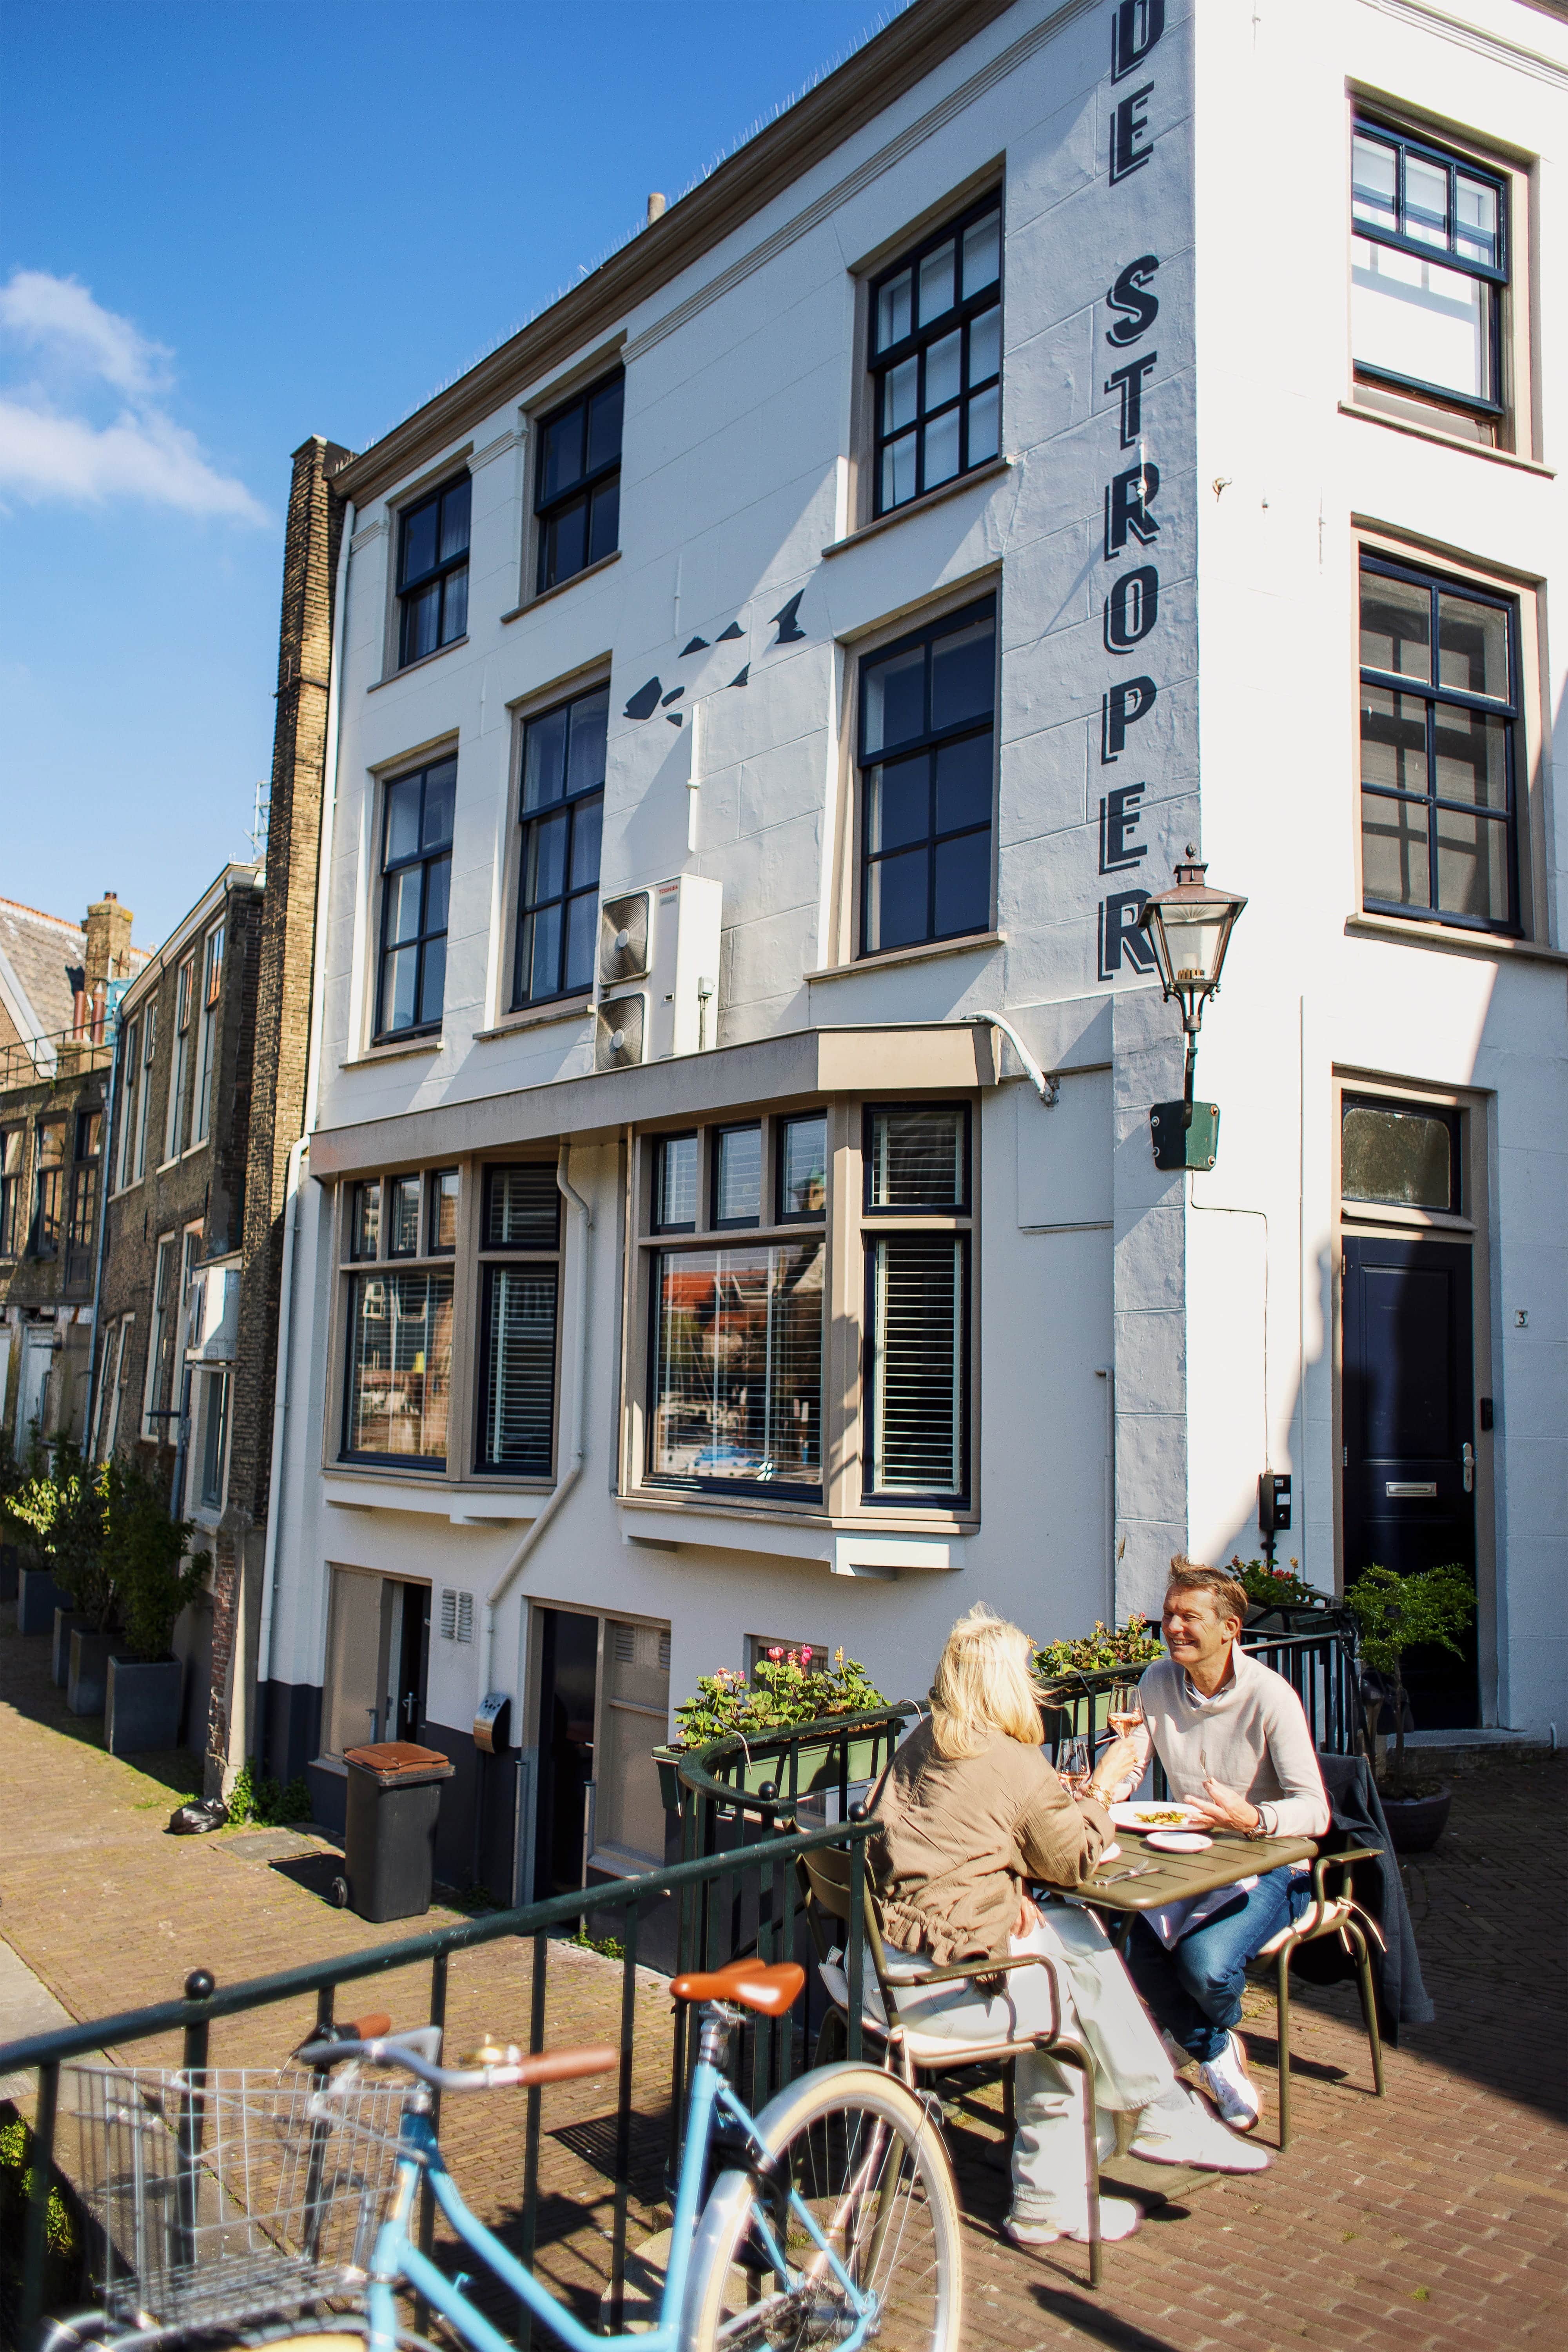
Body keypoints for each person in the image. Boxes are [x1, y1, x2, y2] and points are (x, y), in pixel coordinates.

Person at [866, 1603, 1268, 2251]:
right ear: (1006, 1684)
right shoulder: (1010, 1762)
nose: (1034, 1686)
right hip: (936, 1985)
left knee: (1073, 1931)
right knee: (1069, 2014)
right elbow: (1074, 1859)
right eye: (1026, 1675)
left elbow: (944, 1848)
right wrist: (1103, 1790)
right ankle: (1082, 2175)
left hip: (879, 1962)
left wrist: (1009, 1887)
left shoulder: (925, 1741)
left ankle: (1147, 2122)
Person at [1126, 1558, 1332, 2132]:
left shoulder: (1271, 1695)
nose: (1172, 1628)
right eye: (1168, 1615)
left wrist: (1254, 1817)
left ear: (1230, 1629)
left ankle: (1187, 2031)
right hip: (1187, 1855)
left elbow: (1316, 1810)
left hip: (1272, 1864)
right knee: (1125, 1940)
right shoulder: (1157, 1681)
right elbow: (1131, 1766)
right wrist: (1098, 1790)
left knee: (1205, 1969)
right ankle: (1216, 2050)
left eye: (1188, 1617)